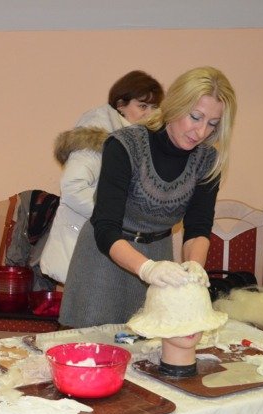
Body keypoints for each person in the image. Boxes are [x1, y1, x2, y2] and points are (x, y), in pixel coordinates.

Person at [59, 66, 237, 328]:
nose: (200, 132)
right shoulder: (125, 145)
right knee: (93, 342)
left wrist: (194, 268)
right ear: (175, 105)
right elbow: (106, 226)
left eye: (212, 124)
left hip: (159, 253)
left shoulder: (207, 160)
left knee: (149, 345)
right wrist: (146, 269)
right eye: (195, 117)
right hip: (105, 257)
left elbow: (198, 227)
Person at [40, 70, 164, 283]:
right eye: (142, 106)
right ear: (120, 104)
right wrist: (116, 219)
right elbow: (73, 188)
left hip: (104, 241)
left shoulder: (135, 138)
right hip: (85, 243)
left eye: (154, 107)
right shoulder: (100, 135)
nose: (149, 114)